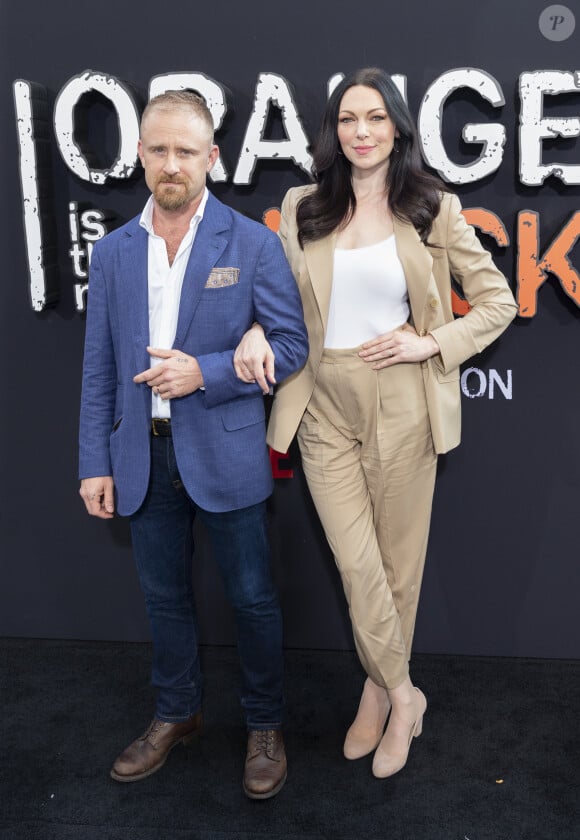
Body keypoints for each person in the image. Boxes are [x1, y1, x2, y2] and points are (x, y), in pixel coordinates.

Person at [234, 68, 517, 779]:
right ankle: (404, 692)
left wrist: (432, 342)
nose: (362, 132)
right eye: (349, 119)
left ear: (397, 129)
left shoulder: (431, 207)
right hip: (321, 401)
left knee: (395, 572)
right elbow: (278, 300)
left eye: (376, 119)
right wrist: (256, 332)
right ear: (334, 130)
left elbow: (497, 302)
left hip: (400, 402)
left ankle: (373, 690)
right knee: (357, 564)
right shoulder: (302, 205)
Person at [78, 90, 308, 800]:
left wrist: (202, 372)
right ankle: (177, 712)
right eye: (158, 150)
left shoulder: (252, 242)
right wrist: (95, 461)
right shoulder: (115, 251)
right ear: (140, 155)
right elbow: (99, 368)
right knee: (164, 600)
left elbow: (292, 345)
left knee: (252, 600)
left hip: (228, 454)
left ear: (212, 158)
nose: (170, 164)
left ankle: (265, 726)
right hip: (141, 458)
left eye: (185, 151)